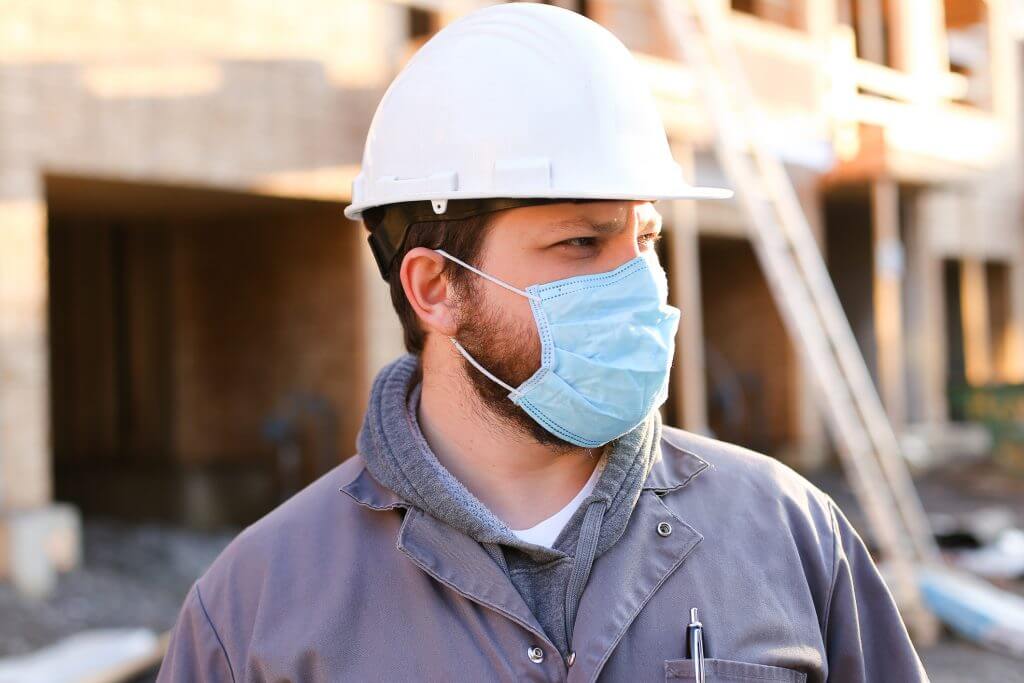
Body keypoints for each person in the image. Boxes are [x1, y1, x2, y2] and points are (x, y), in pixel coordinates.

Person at [157, 3, 929, 681]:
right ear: (434, 287)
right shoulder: (256, 612)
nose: (642, 284)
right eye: (582, 243)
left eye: (647, 237)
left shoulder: (791, 534)